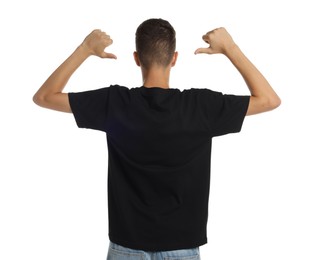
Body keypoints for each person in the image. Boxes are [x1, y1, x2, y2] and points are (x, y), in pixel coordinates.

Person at [33, 18, 281, 260]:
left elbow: (44, 97)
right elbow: (269, 100)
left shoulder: (115, 103)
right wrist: (230, 48)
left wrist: (85, 49)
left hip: (125, 246)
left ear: (136, 58)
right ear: (174, 58)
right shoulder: (201, 107)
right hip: (182, 247)